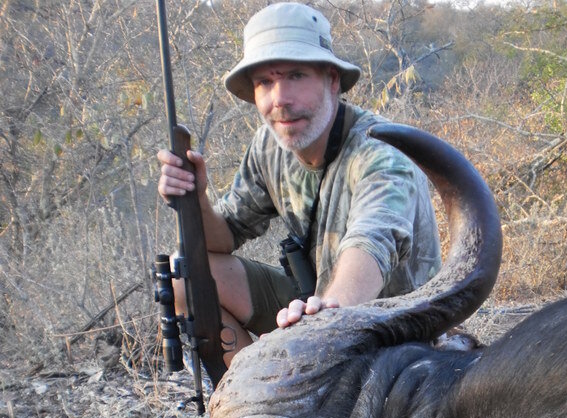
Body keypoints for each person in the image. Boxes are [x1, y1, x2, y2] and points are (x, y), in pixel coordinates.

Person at [158, 2, 441, 365]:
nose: (280, 100)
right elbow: (224, 235)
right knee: (187, 273)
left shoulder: (381, 154)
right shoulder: (268, 145)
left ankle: (293, 394)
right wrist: (195, 199)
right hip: (316, 307)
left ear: (332, 80)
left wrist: (325, 317)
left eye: (295, 76)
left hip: (395, 333)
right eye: (265, 82)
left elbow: (372, 244)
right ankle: (250, 401)